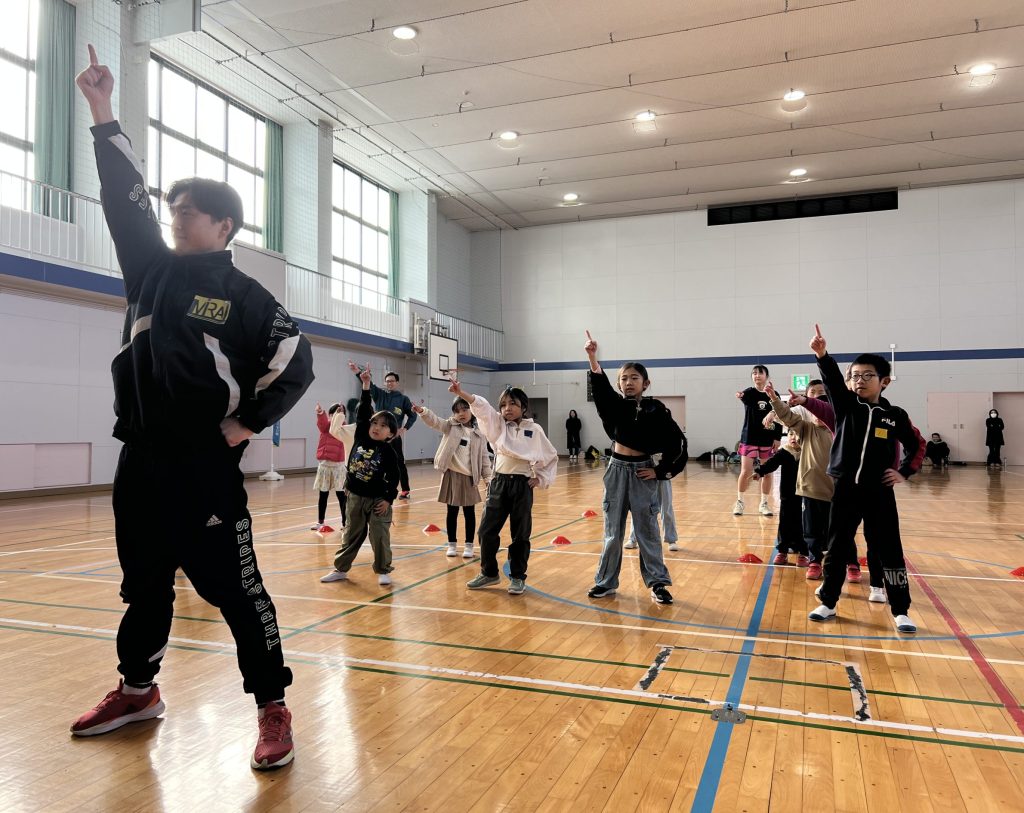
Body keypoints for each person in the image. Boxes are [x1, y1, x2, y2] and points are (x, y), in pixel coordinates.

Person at [70, 46, 314, 770]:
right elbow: (125, 197)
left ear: (225, 226)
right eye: (174, 207)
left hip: (204, 466)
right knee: (143, 582)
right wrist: (102, 112)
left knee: (238, 592)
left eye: (192, 211)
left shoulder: (247, 299)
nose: (177, 216)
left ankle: (272, 705)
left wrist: (244, 424)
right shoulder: (149, 270)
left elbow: (296, 364)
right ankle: (138, 690)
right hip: (139, 458)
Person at [806, 324, 922, 634]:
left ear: (884, 381)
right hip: (845, 489)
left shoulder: (895, 415)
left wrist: (905, 471)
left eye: (866, 375)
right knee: (838, 545)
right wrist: (822, 355)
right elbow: (831, 381)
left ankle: (900, 610)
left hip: (879, 492)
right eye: (854, 375)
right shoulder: (846, 406)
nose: (859, 380)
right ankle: (828, 603)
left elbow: (917, 445)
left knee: (888, 547)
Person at [584, 331, 687, 604]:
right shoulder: (615, 406)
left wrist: (661, 471)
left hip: (643, 472)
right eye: (624, 379)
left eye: (634, 378)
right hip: (617, 471)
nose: (628, 382)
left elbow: (677, 444)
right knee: (612, 532)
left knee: (648, 532)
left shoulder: (657, 410)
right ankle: (605, 582)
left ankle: (658, 584)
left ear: (646, 382)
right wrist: (593, 359)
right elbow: (601, 390)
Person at [447, 376, 558, 595]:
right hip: (499, 483)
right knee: (486, 531)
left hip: (522, 485)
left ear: (523, 407)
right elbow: (482, 409)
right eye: (504, 404)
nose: (508, 408)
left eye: (513, 404)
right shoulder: (497, 425)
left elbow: (550, 456)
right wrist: (462, 393)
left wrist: (540, 478)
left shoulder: (534, 430)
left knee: (520, 534)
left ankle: (517, 577)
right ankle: (489, 573)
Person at [321, 364, 400, 586]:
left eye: (383, 426)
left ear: (391, 433)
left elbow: (394, 477)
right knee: (351, 534)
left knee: (379, 535)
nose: (376, 427)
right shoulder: (361, 437)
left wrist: (388, 499)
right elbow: (364, 409)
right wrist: (365, 385)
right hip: (355, 496)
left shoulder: (388, 452)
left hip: (377, 500)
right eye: (374, 423)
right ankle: (340, 569)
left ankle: (383, 569)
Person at [768, 381, 834, 580]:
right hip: (810, 486)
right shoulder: (805, 427)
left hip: (835, 488)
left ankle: (848, 562)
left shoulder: (840, 429)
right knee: (810, 528)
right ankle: (813, 560)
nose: (818, 415)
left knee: (837, 529)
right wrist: (774, 400)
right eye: (812, 393)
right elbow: (786, 416)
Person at [414, 396, 492, 559]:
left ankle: (469, 545)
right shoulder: (451, 426)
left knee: (469, 513)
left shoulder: (480, 433)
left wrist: (488, 479)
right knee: (452, 512)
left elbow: (485, 458)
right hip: (451, 474)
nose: (461, 413)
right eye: (457, 411)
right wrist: (423, 412)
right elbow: (435, 421)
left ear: (472, 411)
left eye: (464, 409)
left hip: (470, 477)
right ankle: (452, 544)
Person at [348, 362, 416, 498]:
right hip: (377, 436)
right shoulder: (379, 394)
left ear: (397, 383)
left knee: (398, 462)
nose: (389, 383)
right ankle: (368, 487)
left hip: (393, 436)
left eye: (392, 381)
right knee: (372, 459)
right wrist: (357, 372)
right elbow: (368, 385)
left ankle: (405, 489)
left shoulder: (403, 399)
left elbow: (412, 415)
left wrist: (404, 428)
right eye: (387, 381)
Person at [753, 400, 807, 568]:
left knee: (803, 523)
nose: (794, 437)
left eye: (797, 435)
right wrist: (759, 471)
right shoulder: (785, 452)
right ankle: (782, 550)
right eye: (791, 434)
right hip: (787, 495)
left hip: (805, 494)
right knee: (785, 522)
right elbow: (771, 463)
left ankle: (803, 552)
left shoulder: (808, 452)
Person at [734, 365, 782, 516]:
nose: (757, 375)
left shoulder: (774, 395)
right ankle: (740, 502)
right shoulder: (749, 393)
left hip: (767, 439)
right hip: (749, 438)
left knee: (767, 472)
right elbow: (744, 398)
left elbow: (780, 415)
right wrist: (740, 395)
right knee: (745, 471)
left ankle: (764, 503)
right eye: (754, 373)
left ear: (766, 376)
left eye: (760, 373)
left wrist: (777, 437)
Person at [311, 402, 348, 535]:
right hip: (325, 466)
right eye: (335, 412)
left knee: (341, 496)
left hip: (339, 467)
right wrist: (320, 413)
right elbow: (321, 424)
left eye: (341, 412)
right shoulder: (326, 426)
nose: (338, 415)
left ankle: (345, 523)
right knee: (323, 495)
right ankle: (320, 522)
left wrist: (339, 416)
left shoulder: (344, 427)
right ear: (330, 414)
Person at [625, 478, 678, 552]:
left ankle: (671, 540)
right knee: (639, 506)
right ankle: (633, 539)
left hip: (662, 475)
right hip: (644, 475)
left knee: (666, 507)